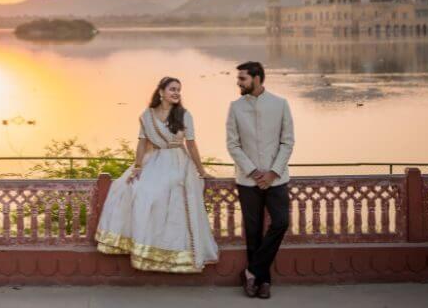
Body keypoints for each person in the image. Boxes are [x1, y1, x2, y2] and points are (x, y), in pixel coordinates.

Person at [95, 76, 219, 273]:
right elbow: (142, 142)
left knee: (161, 193)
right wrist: (137, 166)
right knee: (129, 188)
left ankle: (173, 252)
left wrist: (201, 170)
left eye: (179, 89)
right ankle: (141, 245)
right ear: (161, 92)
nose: (177, 92)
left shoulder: (184, 115)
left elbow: (192, 144)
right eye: (172, 89)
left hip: (177, 162)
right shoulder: (147, 115)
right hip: (153, 159)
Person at [226, 61, 294, 299]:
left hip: (277, 180)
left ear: (256, 78)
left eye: (242, 79)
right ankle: (263, 282)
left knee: (281, 222)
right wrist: (254, 172)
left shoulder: (280, 104)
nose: (238, 83)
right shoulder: (235, 107)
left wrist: (273, 172)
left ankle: (251, 272)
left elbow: (288, 142)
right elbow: (232, 144)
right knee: (253, 232)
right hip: (248, 181)